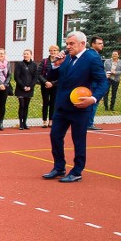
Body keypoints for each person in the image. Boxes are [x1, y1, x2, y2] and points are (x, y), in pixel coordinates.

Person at [42, 31, 108, 183]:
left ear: (82, 44)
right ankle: (59, 167)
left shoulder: (92, 59)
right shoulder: (66, 58)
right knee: (55, 136)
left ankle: (77, 171)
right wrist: (55, 64)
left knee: (78, 139)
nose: (68, 47)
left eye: (71, 44)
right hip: (62, 106)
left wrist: (93, 98)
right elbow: (52, 77)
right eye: (67, 44)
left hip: (80, 107)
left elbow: (103, 82)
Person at [14, 49, 38, 130]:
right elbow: (16, 77)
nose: (25, 55)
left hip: (30, 89)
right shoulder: (19, 64)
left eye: (27, 54)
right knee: (22, 105)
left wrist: (30, 87)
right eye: (24, 54)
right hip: (21, 89)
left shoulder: (34, 65)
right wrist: (23, 86)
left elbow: (35, 77)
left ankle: (25, 123)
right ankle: (21, 123)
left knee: (26, 106)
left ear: (31, 55)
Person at [37, 45, 60, 128]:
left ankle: (51, 120)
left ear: (58, 51)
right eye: (51, 50)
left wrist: (53, 83)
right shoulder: (45, 61)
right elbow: (38, 73)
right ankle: (44, 121)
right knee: (45, 102)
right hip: (45, 86)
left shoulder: (61, 61)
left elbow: (62, 75)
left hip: (55, 86)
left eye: (54, 50)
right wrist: (45, 82)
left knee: (53, 103)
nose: (53, 52)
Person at [87, 36, 105, 130]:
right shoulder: (93, 55)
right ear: (93, 44)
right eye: (99, 43)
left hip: (93, 82)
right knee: (93, 103)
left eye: (102, 43)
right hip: (93, 84)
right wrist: (103, 76)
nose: (102, 45)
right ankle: (89, 123)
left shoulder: (93, 54)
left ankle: (88, 122)